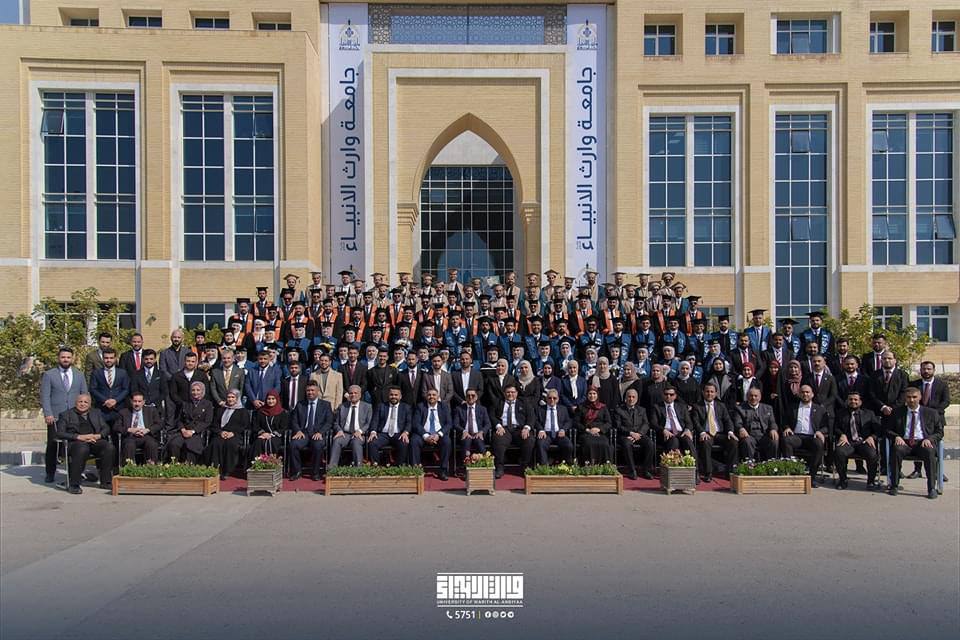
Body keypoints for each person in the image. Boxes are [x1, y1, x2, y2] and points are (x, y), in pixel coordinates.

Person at [40, 347, 88, 483]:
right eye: (63, 357)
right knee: (53, 445)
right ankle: (50, 472)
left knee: (75, 445)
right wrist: (48, 413)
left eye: (68, 357)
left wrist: (84, 413)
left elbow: (84, 394)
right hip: (55, 416)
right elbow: (45, 396)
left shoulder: (79, 375)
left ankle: (76, 472)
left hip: (75, 416)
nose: (65, 359)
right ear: (58, 358)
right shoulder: (49, 375)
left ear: (72, 358)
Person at [886, 387, 942, 499]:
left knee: (929, 452)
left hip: (922, 443)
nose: (911, 400)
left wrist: (930, 439)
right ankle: (894, 485)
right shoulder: (897, 412)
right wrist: (896, 436)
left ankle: (931, 488)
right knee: (896, 450)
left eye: (914, 397)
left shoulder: (931, 413)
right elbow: (887, 429)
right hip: (904, 443)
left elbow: (939, 432)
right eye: (909, 397)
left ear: (920, 397)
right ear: (905, 398)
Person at [56, 394, 115, 494]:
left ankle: (106, 481)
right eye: (80, 402)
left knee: (109, 447)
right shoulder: (65, 414)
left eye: (86, 402)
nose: (83, 404)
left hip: (93, 440)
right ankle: (74, 484)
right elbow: (60, 433)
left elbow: (106, 428)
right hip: (76, 443)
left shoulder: (96, 413)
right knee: (82, 448)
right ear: (76, 403)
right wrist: (79, 437)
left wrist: (98, 436)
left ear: (90, 404)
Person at [908, 361, 951, 481]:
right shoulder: (914, 384)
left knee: (934, 446)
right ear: (920, 370)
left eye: (929, 369)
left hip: (936, 420)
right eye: (924, 369)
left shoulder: (942, 384)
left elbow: (946, 401)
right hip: (917, 418)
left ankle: (937, 471)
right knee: (916, 441)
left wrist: (933, 413)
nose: (926, 371)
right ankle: (917, 470)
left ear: (933, 370)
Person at [780, 384, 828, 487]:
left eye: (807, 392)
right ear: (799, 394)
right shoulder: (792, 407)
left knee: (819, 444)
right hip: (797, 436)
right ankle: (792, 473)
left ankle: (812, 477)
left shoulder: (820, 409)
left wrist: (820, 431)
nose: (805, 394)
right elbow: (784, 422)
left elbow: (826, 426)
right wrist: (787, 427)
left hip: (812, 437)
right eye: (802, 392)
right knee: (786, 440)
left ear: (812, 394)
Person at [833, 391, 880, 490]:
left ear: (860, 402)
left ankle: (871, 482)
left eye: (855, 399)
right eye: (850, 399)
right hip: (848, 442)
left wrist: (872, 437)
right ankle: (843, 480)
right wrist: (841, 434)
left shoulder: (869, 414)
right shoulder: (840, 413)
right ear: (847, 401)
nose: (853, 401)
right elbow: (835, 428)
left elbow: (878, 430)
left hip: (864, 442)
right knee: (839, 452)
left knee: (872, 454)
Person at [287, 381, 332, 480]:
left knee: (318, 445)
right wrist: (298, 430)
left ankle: (315, 472)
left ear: (317, 391)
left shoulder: (325, 405)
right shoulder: (300, 404)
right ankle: (297, 471)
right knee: (293, 445)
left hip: (317, 433)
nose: (310, 392)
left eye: (312, 390)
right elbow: (294, 420)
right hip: (303, 433)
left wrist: (320, 432)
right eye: (308, 390)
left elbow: (329, 422)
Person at [691, 382, 735, 482]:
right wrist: (702, 432)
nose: (709, 394)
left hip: (720, 433)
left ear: (715, 393)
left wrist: (730, 432)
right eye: (707, 391)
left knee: (733, 442)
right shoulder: (697, 406)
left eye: (712, 392)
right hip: (706, 433)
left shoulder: (721, 405)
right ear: (703, 392)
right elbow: (695, 422)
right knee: (705, 442)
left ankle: (730, 472)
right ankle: (708, 473)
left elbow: (727, 420)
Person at [490, 383, 535, 478]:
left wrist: (527, 428)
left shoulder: (524, 403)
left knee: (529, 440)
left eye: (512, 392)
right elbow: (492, 415)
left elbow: (531, 417)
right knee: (498, 439)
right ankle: (499, 467)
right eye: (508, 392)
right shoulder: (498, 402)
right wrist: (498, 426)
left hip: (519, 429)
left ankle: (525, 467)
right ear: (504, 393)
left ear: (517, 393)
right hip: (504, 429)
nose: (510, 394)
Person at [165, 381, 214, 463]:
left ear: (202, 391)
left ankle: (189, 467)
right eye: (193, 390)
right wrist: (183, 429)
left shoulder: (208, 404)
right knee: (174, 443)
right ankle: (174, 465)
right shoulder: (186, 403)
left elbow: (207, 422)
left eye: (198, 390)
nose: (195, 392)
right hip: (184, 431)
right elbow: (179, 420)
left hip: (197, 433)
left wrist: (193, 431)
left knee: (190, 446)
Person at [208, 389, 250, 480]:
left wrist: (233, 433)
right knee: (216, 443)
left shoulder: (243, 411)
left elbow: (245, 426)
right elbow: (214, 424)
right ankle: (216, 469)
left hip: (235, 435)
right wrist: (220, 432)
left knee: (230, 444)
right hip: (221, 434)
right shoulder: (220, 410)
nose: (230, 399)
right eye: (228, 397)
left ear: (237, 398)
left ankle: (227, 470)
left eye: (233, 397)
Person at [412, 388, 453, 480]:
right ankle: (416, 469)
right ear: (426, 396)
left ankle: (443, 470)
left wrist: (438, 434)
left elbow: (449, 423)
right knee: (414, 440)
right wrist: (426, 436)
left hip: (439, 435)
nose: (431, 397)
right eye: (429, 395)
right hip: (423, 435)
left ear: (438, 397)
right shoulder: (420, 406)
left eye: (434, 395)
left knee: (447, 441)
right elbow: (416, 423)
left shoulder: (444, 406)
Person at [650, 386, 697, 465]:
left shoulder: (682, 406)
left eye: (671, 394)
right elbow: (653, 423)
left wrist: (687, 429)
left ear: (675, 396)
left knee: (688, 441)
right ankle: (670, 467)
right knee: (674, 441)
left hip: (681, 432)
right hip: (666, 434)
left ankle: (695, 468)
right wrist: (663, 430)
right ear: (662, 395)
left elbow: (689, 422)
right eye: (666, 394)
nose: (668, 396)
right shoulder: (656, 407)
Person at [732, 387, 779, 463]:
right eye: (751, 396)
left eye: (756, 396)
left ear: (760, 397)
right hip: (749, 435)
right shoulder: (739, 408)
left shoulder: (768, 408)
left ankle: (772, 465)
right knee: (747, 441)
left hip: (764, 435)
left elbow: (772, 422)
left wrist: (773, 429)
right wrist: (741, 428)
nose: (753, 398)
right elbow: (737, 422)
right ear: (747, 397)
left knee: (774, 441)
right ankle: (748, 466)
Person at [369, 385, 412, 466]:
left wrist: (406, 432)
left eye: (396, 395)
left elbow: (409, 422)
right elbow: (375, 420)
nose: (393, 397)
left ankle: (399, 466)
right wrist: (373, 432)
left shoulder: (406, 407)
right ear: (388, 395)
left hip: (398, 434)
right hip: (383, 434)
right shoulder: (381, 406)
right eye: (391, 395)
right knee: (372, 442)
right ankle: (376, 465)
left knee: (404, 443)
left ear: (400, 396)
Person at [615, 388, 653, 479]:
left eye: (633, 397)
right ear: (625, 398)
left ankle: (646, 470)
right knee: (627, 444)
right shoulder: (619, 410)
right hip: (625, 435)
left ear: (636, 399)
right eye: (629, 397)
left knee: (650, 444)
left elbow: (646, 424)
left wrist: (638, 434)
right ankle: (632, 471)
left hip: (639, 435)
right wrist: (631, 433)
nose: (631, 399)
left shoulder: (642, 410)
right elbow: (618, 426)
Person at [330, 385, 372, 468]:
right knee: (337, 441)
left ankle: (358, 469)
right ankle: (332, 468)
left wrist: (360, 431)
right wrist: (339, 430)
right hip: (345, 433)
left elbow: (368, 423)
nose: (353, 395)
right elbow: (335, 422)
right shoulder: (342, 406)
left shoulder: (367, 407)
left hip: (360, 434)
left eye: (355, 393)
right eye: (351, 393)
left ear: (360, 395)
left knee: (356, 443)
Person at [115, 391, 162, 464]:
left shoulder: (151, 410)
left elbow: (159, 424)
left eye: (139, 401)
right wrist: (129, 429)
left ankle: (151, 467)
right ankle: (128, 467)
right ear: (131, 401)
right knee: (129, 445)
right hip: (130, 437)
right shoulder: (123, 412)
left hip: (146, 435)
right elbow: (116, 427)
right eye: (135, 401)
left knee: (152, 444)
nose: (137, 404)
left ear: (143, 402)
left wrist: (148, 430)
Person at [88, 347, 129, 427]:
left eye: (111, 358)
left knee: (118, 432)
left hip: (118, 408)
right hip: (102, 408)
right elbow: (93, 389)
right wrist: (105, 400)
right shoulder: (96, 373)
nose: (108, 360)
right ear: (103, 359)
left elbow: (126, 389)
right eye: (106, 358)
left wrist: (115, 400)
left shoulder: (122, 372)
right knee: (103, 432)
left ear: (115, 358)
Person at [576, 387, 613, 464]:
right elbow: (576, 422)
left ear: (597, 395)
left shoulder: (603, 407)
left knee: (605, 444)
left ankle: (604, 466)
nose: (592, 396)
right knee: (589, 443)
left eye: (594, 393)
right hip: (586, 433)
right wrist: (587, 430)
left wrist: (599, 429)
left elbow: (609, 423)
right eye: (590, 394)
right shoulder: (581, 407)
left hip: (600, 433)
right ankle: (589, 466)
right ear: (587, 395)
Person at [454, 387, 491, 463]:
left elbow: (488, 424)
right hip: (465, 434)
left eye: (473, 395)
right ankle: (466, 465)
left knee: (479, 442)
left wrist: (481, 432)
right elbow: (455, 424)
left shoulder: (482, 409)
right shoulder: (459, 409)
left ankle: (485, 464)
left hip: (478, 434)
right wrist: (463, 431)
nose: (470, 397)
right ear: (465, 397)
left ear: (476, 397)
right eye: (468, 395)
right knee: (466, 441)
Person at [251, 389, 288, 460]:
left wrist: (271, 434)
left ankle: (272, 464)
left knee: (272, 442)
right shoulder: (260, 411)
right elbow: (255, 425)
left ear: (277, 399)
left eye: (273, 399)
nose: (271, 401)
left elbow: (283, 427)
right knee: (258, 443)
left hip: (276, 437)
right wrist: (263, 433)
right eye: (269, 399)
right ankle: (257, 464)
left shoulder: (282, 413)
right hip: (262, 435)